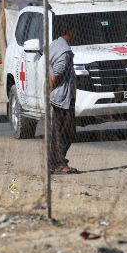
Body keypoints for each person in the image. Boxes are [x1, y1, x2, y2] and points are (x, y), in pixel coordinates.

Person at [49, 20, 80, 174]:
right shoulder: (64, 51)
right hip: (63, 99)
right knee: (66, 132)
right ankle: (59, 164)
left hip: (58, 97)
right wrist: (49, 90)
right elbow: (56, 74)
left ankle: (54, 163)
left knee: (58, 132)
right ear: (70, 31)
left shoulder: (55, 44)